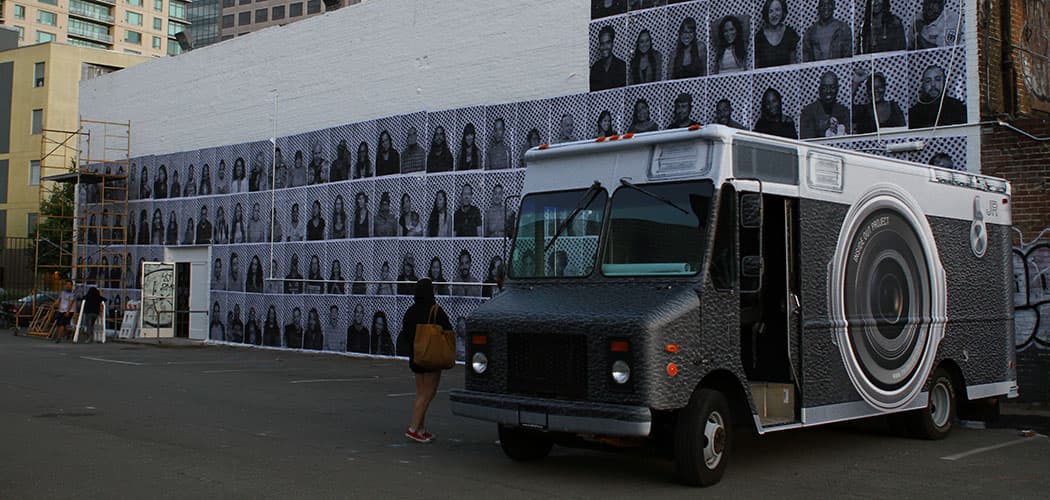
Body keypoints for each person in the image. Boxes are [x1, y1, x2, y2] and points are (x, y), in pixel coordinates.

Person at [400, 278, 454, 443]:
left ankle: (421, 428)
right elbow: (448, 329)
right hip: (431, 357)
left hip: (416, 357)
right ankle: (414, 428)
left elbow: (406, 332)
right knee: (428, 393)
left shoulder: (410, 311)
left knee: (420, 393)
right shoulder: (435, 311)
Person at [908, 64, 966, 128]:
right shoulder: (914, 114)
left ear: (944, 82)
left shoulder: (957, 108)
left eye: (937, 79)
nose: (933, 84)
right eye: (928, 81)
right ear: (923, 85)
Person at [799, 71, 850, 138]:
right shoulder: (808, 111)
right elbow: (807, 139)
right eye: (825, 88)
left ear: (837, 89)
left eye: (832, 87)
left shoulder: (843, 111)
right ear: (819, 90)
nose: (828, 91)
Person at [755, 0, 800, 68]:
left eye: (777, 10)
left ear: (783, 12)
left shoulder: (790, 33)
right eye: (770, 11)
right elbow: (756, 66)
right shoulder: (759, 37)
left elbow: (793, 62)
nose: (774, 14)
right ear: (766, 14)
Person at [590, 24, 627, 91]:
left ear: (612, 43)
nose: (605, 47)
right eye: (602, 43)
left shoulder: (622, 66)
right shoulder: (594, 68)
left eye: (608, 42)